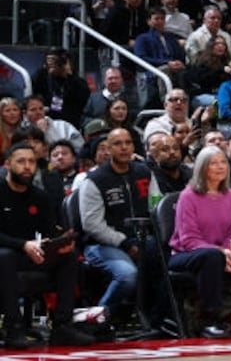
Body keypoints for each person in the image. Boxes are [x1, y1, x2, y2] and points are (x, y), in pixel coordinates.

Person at [169, 145, 231, 338]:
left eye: (223, 162)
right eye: (213, 163)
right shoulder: (188, 196)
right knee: (212, 256)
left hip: (219, 252)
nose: (220, 166)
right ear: (202, 168)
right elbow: (188, 239)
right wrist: (223, 252)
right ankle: (210, 319)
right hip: (186, 253)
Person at [0, 142, 93, 347]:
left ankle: (63, 325)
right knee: (4, 256)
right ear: (7, 164)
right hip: (7, 254)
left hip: (31, 253)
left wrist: (59, 243)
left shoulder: (40, 197)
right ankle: (13, 328)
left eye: (32, 162)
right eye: (21, 161)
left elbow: (50, 231)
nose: (27, 167)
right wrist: (23, 244)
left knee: (69, 256)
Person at [77, 127, 158, 323]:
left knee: (164, 265)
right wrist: (124, 243)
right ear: (108, 149)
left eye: (128, 143)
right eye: (117, 144)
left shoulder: (144, 172)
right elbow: (92, 225)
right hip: (102, 245)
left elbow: (156, 206)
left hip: (142, 239)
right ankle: (95, 319)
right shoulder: (95, 180)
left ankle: (156, 318)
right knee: (127, 275)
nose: (124, 148)